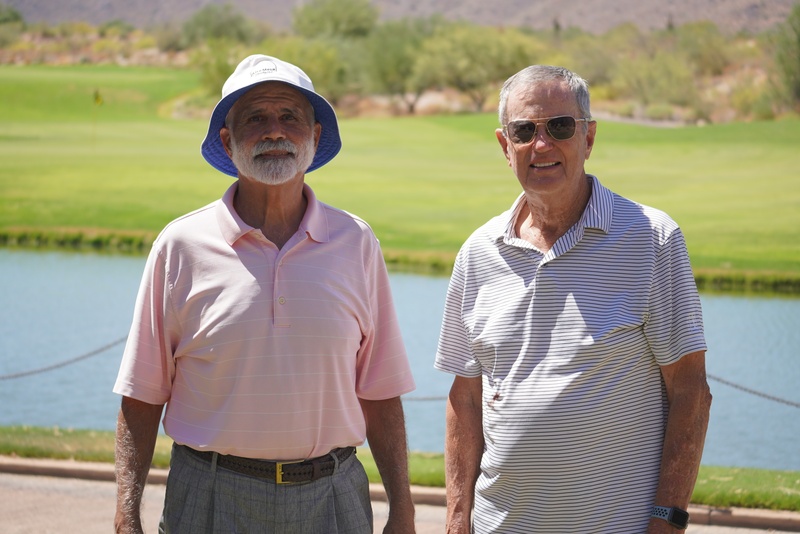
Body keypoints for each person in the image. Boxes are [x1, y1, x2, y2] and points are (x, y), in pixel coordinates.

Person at [113, 54, 417, 534]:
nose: (274, 131)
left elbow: (380, 391)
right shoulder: (181, 245)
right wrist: (126, 516)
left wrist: (403, 510)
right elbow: (142, 395)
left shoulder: (356, 242)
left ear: (314, 136)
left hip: (332, 496)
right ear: (227, 141)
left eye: (289, 117)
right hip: (209, 495)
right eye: (255, 118)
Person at [434, 65, 712, 533]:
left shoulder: (651, 239)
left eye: (560, 127)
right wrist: (457, 519)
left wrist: (668, 520)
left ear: (588, 138)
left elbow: (691, 392)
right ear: (505, 146)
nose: (541, 144)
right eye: (524, 131)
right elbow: (465, 397)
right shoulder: (478, 252)